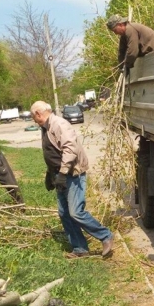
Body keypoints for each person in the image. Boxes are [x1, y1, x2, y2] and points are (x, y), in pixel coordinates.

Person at [30, 101, 114, 258]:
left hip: (72, 174)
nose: (33, 120)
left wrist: (62, 174)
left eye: (33, 116)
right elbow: (53, 152)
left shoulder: (59, 124)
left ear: (38, 114)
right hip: (60, 175)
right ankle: (80, 248)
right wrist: (50, 175)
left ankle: (105, 235)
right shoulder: (46, 127)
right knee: (64, 213)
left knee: (76, 212)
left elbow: (70, 149)